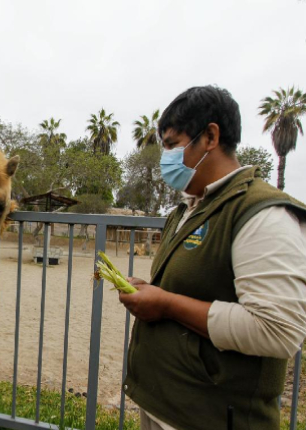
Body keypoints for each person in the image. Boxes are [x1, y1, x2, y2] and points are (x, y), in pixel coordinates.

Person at [119, 86, 306, 430]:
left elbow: (277, 330)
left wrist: (166, 304)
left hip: (211, 417)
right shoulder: (189, 209)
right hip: (166, 405)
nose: (166, 158)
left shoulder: (262, 214)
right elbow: (195, 284)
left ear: (210, 136)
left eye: (173, 145)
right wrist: (152, 290)